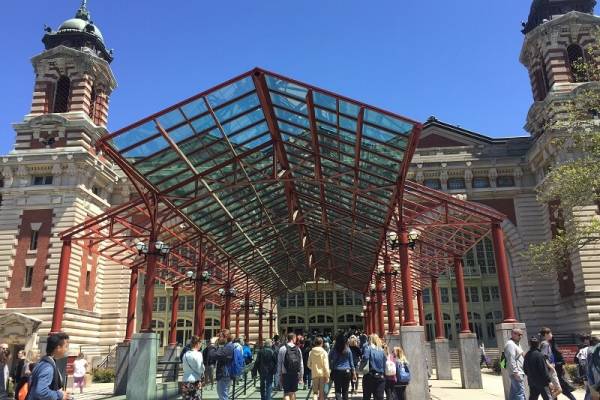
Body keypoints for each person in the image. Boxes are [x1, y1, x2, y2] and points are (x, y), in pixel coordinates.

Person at [27, 332, 71, 400]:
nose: (67, 350)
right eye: (66, 347)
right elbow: (41, 392)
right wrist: (60, 395)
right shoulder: (48, 367)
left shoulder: (43, 362)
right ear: (58, 348)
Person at [359, 334, 386, 400]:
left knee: (366, 396)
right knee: (379, 397)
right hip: (380, 376)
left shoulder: (368, 348)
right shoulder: (382, 351)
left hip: (370, 376)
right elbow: (384, 363)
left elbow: (365, 358)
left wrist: (360, 368)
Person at [276, 333, 303, 400]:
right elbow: (301, 364)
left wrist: (279, 376)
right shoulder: (298, 349)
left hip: (285, 374)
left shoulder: (282, 349)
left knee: (286, 393)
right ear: (293, 338)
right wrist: (301, 376)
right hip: (295, 373)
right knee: (293, 392)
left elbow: (279, 363)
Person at [329, 334, 355, 400]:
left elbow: (329, 359)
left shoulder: (333, 349)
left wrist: (331, 367)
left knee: (337, 391)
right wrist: (354, 373)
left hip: (337, 371)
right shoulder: (348, 349)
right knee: (345, 391)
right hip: (347, 371)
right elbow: (351, 362)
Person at [504, 328, 525, 400]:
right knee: (520, 393)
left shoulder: (516, 344)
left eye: (521, 335)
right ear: (513, 334)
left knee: (514, 394)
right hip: (517, 372)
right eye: (519, 335)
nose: (521, 337)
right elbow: (511, 359)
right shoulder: (510, 344)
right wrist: (515, 372)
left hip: (519, 371)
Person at [214, 329, 235, 400]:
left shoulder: (228, 346)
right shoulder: (228, 345)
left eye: (220, 336)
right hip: (226, 373)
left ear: (225, 337)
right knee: (223, 394)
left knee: (223, 396)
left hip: (224, 374)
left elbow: (214, 355)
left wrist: (212, 344)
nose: (219, 338)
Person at [182, 335, 204, 400]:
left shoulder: (185, 354)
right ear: (197, 344)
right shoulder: (198, 354)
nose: (201, 345)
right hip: (195, 381)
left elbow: (184, 367)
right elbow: (200, 369)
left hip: (185, 380)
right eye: (200, 344)